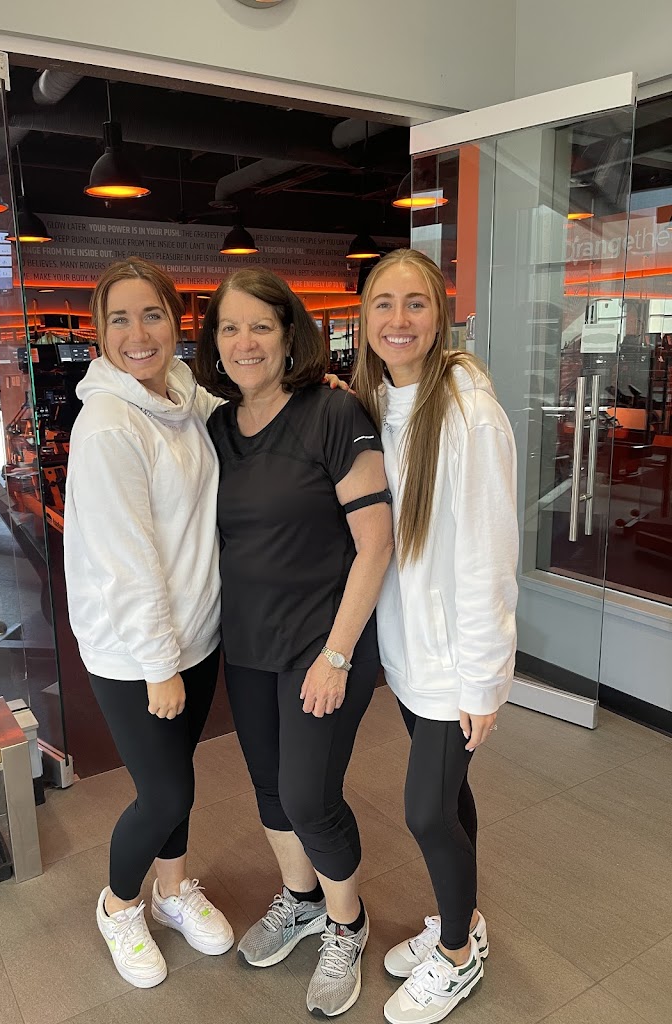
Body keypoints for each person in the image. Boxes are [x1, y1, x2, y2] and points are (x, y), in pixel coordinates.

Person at [196, 268, 394, 1018]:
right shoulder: (217, 428)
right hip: (248, 644)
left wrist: (337, 656)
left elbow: (375, 543)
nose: (244, 342)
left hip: (324, 644)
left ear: (289, 335)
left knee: (310, 796)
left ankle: (347, 923)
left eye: (260, 326)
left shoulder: (334, 412)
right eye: (229, 328)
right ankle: (302, 899)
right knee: (272, 790)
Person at [352, 249, 518, 1024]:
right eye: (382, 304)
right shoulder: (380, 402)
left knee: (424, 811)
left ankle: (457, 956)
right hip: (411, 654)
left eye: (414, 303)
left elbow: (488, 556)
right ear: (364, 318)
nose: (398, 320)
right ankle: (464, 921)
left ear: (440, 314)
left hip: (456, 664)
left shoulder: (468, 412)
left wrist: (483, 680)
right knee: (449, 797)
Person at [63, 257, 234, 989]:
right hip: (136, 652)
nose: (138, 334)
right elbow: (127, 563)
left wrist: (309, 391)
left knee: (179, 779)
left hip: (193, 632)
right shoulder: (108, 424)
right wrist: (160, 666)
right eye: (120, 320)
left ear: (176, 320)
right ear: (100, 334)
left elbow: (235, 413)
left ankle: (172, 889)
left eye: (153, 314)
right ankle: (119, 904)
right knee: (164, 794)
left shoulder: (182, 394)